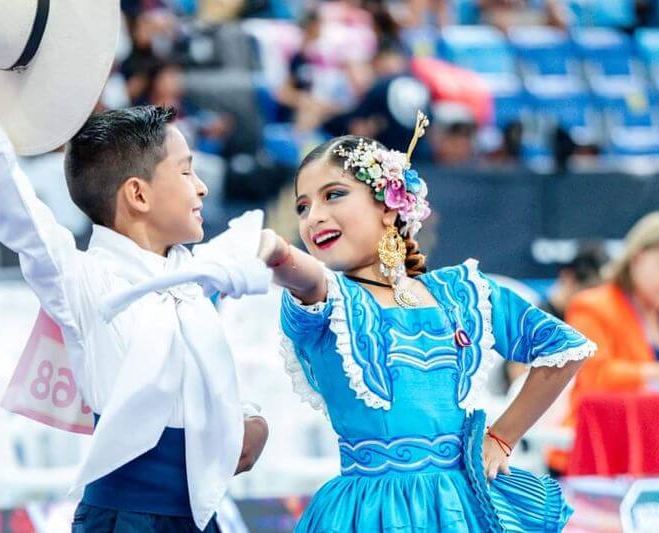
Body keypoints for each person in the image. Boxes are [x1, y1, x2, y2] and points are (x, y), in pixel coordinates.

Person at [0, 67, 268, 532]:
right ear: (138, 194)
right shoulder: (84, 279)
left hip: (203, 517)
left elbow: (200, 382)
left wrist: (248, 418)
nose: (202, 186)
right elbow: (11, 206)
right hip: (124, 519)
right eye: (186, 170)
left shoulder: (193, 279)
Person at [256, 115, 596, 531]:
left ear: (387, 205)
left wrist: (503, 436)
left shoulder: (463, 291)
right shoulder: (331, 302)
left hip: (461, 509)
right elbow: (301, 272)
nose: (312, 217)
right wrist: (269, 248)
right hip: (369, 514)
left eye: (334, 195)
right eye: (303, 206)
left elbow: (564, 349)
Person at [545, 213, 659, 475]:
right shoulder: (592, 305)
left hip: (650, 447)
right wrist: (653, 373)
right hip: (597, 448)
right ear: (637, 258)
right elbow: (596, 376)